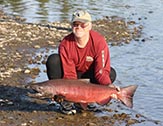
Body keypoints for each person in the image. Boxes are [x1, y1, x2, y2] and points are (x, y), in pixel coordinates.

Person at [46, 10, 117, 114]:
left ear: (89, 26)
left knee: (111, 73)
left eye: (83, 25)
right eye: (75, 24)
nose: (79, 27)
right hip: (72, 77)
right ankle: (66, 102)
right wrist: (69, 95)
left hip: (90, 75)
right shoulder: (65, 44)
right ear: (71, 26)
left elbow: (101, 71)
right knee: (53, 60)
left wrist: (109, 86)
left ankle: (89, 100)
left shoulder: (99, 41)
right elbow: (69, 74)